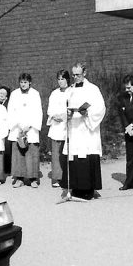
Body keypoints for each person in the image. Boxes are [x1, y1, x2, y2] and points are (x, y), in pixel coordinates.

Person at [59, 63, 105, 201]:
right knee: (75, 159)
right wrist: (67, 113)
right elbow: (63, 107)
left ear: (84, 73)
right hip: (74, 130)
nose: (75, 77)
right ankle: (76, 188)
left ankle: (89, 190)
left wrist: (87, 113)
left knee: (86, 158)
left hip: (87, 131)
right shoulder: (70, 90)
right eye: (73, 75)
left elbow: (100, 108)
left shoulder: (93, 89)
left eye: (78, 75)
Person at [7, 73, 43, 188]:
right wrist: (18, 125)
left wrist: (30, 126)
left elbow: (38, 111)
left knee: (32, 153)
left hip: (31, 129)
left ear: (30, 83)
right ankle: (19, 178)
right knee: (18, 154)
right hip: (17, 128)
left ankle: (33, 178)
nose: (23, 84)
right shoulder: (14, 94)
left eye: (25, 82)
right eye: (21, 82)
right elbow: (10, 111)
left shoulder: (35, 94)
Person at [46, 70, 70, 188]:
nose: (60, 81)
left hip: (67, 126)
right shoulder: (54, 93)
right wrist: (54, 116)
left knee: (66, 153)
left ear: (67, 79)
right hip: (56, 126)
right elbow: (50, 109)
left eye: (62, 79)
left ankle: (67, 177)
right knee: (56, 154)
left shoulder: (72, 92)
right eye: (59, 79)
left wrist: (64, 116)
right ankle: (56, 177)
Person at [0, 86, 12, 173]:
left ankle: (8, 168)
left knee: (7, 148)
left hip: (7, 128)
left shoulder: (9, 104)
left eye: (3, 93)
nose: (1, 95)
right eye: (0, 93)